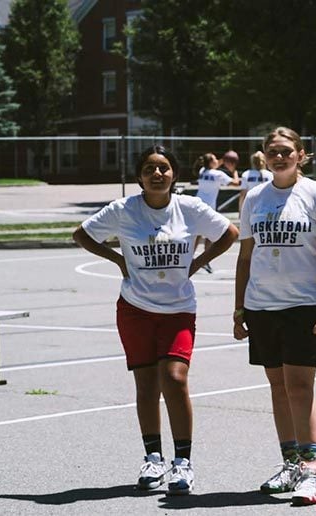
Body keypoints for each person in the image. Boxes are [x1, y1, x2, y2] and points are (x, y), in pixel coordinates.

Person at [72, 145, 239, 496]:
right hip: (135, 309)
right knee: (146, 385)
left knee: (175, 379)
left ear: (174, 174)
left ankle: (183, 462)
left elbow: (230, 233)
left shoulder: (189, 209)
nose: (157, 174)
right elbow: (82, 234)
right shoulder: (124, 210)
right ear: (139, 177)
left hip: (178, 309)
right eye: (149, 169)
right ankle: (153, 458)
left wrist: (196, 262)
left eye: (163, 168)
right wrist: (118, 260)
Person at [233, 127, 316, 506]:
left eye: (285, 151)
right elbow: (246, 256)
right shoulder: (253, 198)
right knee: (278, 388)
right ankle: (290, 464)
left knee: (300, 387)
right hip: (262, 306)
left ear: (300, 154)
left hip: (303, 306)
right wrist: (239, 309)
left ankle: (311, 471)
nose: (278, 157)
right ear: (263, 156)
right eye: (271, 151)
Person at [194, 153, 240, 273]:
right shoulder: (218, 174)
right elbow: (236, 183)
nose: (217, 160)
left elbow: (211, 164)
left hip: (197, 205)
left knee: (197, 234)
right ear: (211, 162)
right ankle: (205, 260)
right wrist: (233, 170)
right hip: (208, 208)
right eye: (215, 159)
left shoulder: (202, 170)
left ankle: (190, 259)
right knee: (211, 234)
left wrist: (222, 161)